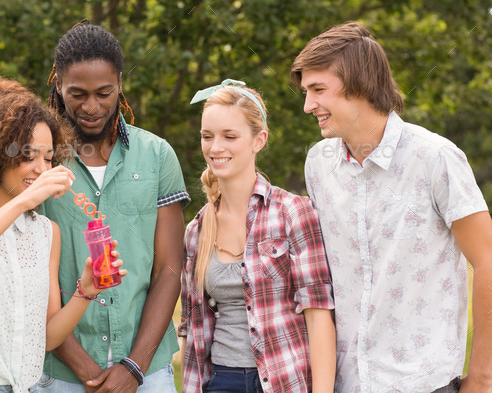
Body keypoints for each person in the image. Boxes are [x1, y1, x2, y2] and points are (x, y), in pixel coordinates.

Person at [291, 21, 492, 393]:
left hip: (423, 383)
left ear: (360, 85)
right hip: (344, 383)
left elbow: (487, 261)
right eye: (306, 91)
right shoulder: (318, 164)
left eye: (318, 90)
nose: (307, 106)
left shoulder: (436, 158)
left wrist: (481, 378)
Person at [0, 76, 125, 393]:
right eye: (28, 156)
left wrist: (87, 291)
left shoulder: (47, 233)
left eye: (48, 157)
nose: (42, 169)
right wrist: (23, 202)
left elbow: (46, 337)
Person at [37, 20, 190, 393]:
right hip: (61, 373)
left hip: (147, 372)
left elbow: (170, 267)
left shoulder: (157, 156)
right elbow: (33, 277)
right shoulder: (39, 163)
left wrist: (134, 367)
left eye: (104, 92)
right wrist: (87, 370)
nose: (92, 106)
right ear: (57, 84)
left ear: (120, 82)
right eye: (78, 93)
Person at [179, 79, 336, 393]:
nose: (215, 147)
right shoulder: (196, 231)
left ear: (258, 140)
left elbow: (319, 318)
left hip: (283, 380)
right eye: (207, 136)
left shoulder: (292, 213)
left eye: (230, 136)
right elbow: (191, 328)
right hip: (220, 382)